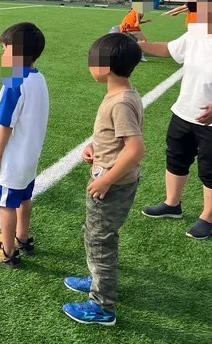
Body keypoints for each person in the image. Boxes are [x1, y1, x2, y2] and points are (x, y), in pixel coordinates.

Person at [63, 32, 145, 326]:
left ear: (106, 66)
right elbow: (117, 141)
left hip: (112, 186)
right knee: (97, 235)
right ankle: (98, 277)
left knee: (100, 242)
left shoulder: (119, 103)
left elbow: (135, 149)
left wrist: (106, 179)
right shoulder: (124, 95)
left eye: (92, 60)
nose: (89, 65)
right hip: (113, 179)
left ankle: (102, 307)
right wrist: (94, 149)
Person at [139, 0, 212, 240]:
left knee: (211, 170)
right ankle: (172, 204)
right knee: (176, 158)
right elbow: (171, 50)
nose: (191, 9)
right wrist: (140, 45)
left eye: (198, 4)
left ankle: (208, 217)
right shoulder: (196, 32)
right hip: (184, 112)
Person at [0, 22, 49, 269]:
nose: (2, 55)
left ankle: (8, 252)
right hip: (30, 156)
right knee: (25, 197)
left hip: (12, 158)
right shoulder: (38, 78)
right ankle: (22, 237)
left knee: (6, 203)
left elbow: (5, 123)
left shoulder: (13, 83)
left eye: (5, 49)